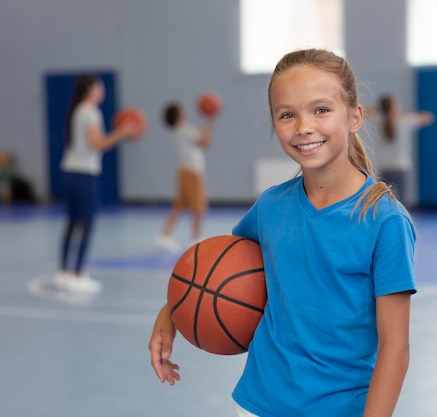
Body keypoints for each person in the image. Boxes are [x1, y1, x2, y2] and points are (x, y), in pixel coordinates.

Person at [149, 49, 417, 417]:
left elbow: (395, 347)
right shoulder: (271, 206)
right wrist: (171, 313)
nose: (304, 126)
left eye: (321, 110)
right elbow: (216, 272)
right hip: (259, 403)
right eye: (287, 114)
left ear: (355, 117)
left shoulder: (384, 220)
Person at [53, 75, 139, 294]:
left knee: (72, 222)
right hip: (84, 174)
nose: (103, 91)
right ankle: (78, 274)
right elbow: (97, 144)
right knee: (86, 224)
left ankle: (63, 272)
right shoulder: (91, 112)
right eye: (99, 87)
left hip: (69, 171)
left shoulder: (77, 110)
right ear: (90, 89)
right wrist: (122, 132)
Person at [155, 102, 216, 252]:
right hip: (192, 172)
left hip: (183, 170)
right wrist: (210, 120)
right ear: (178, 115)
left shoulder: (179, 130)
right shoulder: (185, 129)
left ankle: (164, 235)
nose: (185, 109)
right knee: (199, 206)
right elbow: (204, 142)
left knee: (180, 204)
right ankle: (195, 238)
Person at [368, 94, 434, 207]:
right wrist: (403, 115)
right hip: (401, 167)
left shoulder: (378, 120)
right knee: (403, 204)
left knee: (384, 202)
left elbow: (364, 111)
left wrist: (380, 111)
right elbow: (428, 117)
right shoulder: (405, 121)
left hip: (384, 168)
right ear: (394, 108)